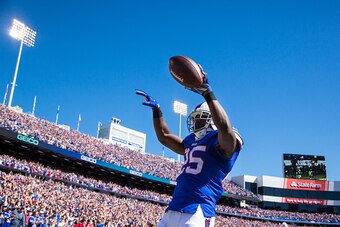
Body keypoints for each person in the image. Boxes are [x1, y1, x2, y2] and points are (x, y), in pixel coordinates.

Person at [136, 62, 244, 227]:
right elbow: (164, 137)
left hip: (198, 211)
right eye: (195, 119)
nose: (196, 122)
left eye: (201, 118)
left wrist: (208, 93)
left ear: (212, 120)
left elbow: (224, 128)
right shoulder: (191, 141)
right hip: (174, 208)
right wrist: (157, 111)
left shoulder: (222, 140)